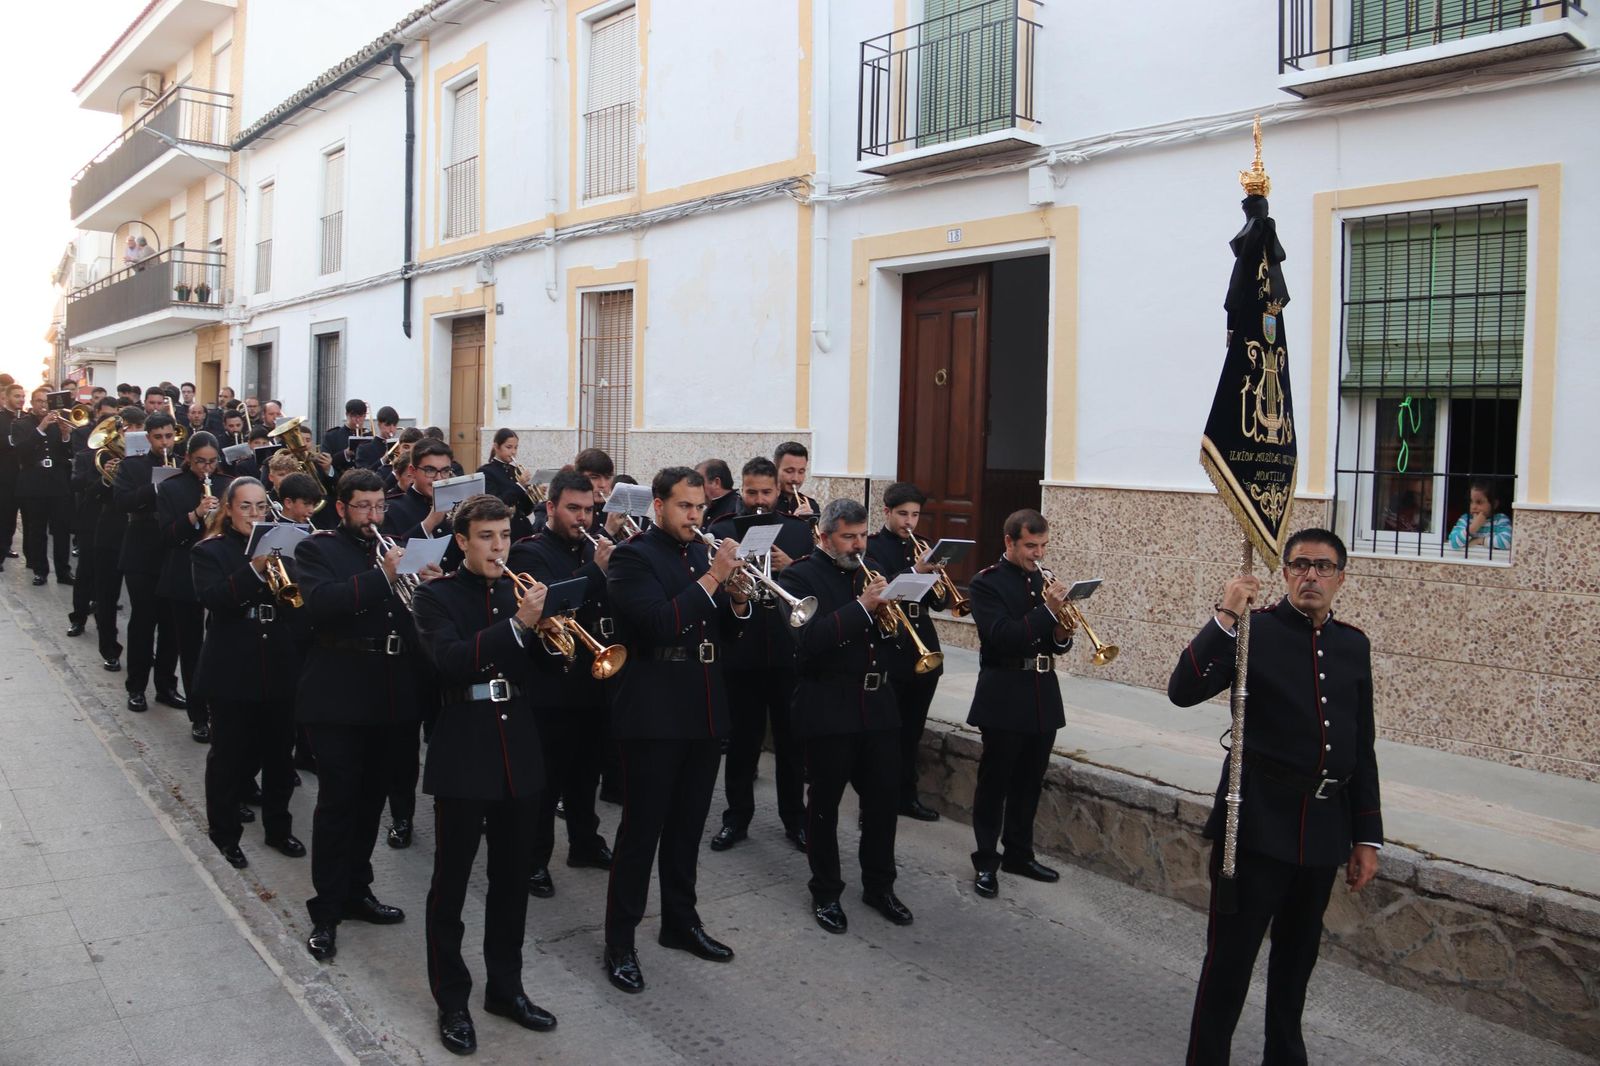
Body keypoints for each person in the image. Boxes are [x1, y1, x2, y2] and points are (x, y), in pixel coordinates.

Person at [1169, 528, 1382, 1066]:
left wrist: (1367, 836)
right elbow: (1183, 690)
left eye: (1324, 566)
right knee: (1230, 963)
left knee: (1296, 963)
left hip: (1323, 833)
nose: (1312, 575)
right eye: (1301, 564)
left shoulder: (1354, 645)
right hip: (1257, 825)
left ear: (1341, 578)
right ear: (1285, 573)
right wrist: (1224, 616)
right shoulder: (1253, 631)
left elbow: (1361, 747)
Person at [412, 494, 559, 1054]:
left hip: (517, 745)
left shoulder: (519, 593)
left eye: (504, 536)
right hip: (463, 746)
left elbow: (542, 668)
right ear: (462, 542)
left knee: (511, 882)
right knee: (450, 885)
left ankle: (506, 988)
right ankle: (452, 999)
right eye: (487, 537)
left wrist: (552, 634)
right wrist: (521, 626)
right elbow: (449, 660)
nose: (499, 547)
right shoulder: (436, 596)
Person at [601, 466, 749, 993]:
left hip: (705, 705)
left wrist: (734, 596)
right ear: (658, 505)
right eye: (684, 507)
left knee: (688, 828)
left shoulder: (700, 554)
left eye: (700, 508)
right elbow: (660, 624)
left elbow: (726, 631)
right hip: (654, 710)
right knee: (642, 832)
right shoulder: (632, 558)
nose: (694, 517)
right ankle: (619, 942)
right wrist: (713, 578)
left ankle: (680, 923)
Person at [294, 468, 440, 963]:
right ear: (341, 508)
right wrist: (384, 577)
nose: (374, 516)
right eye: (363, 507)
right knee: (337, 804)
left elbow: (420, 615)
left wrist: (429, 586)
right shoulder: (318, 550)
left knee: (372, 801)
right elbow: (321, 605)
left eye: (380, 507)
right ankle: (326, 908)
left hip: (392, 694)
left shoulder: (396, 549)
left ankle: (358, 890)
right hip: (337, 695)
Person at [778, 498, 913, 934]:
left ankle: (879, 885)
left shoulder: (870, 572)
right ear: (824, 535)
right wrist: (863, 608)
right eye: (848, 537)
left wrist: (895, 614)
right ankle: (827, 891)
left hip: (878, 707)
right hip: (828, 706)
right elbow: (810, 640)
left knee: (882, 804)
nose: (858, 546)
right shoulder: (799, 576)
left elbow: (889, 640)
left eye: (861, 536)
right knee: (825, 806)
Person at [507, 470, 616, 900]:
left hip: (592, 679)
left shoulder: (592, 549)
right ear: (551, 508)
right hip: (548, 682)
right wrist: (597, 570)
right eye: (573, 508)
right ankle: (535, 860)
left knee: (586, 772)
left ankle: (584, 843)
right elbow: (550, 602)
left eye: (589, 510)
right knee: (547, 777)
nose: (583, 518)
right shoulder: (528, 551)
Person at [192, 477, 306, 868]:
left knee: (279, 755)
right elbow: (213, 599)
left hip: (278, 662)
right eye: (246, 507)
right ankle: (224, 834)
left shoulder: (282, 548)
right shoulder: (211, 551)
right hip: (231, 666)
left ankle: (278, 828)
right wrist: (255, 571)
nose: (255, 514)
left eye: (261, 507)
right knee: (229, 756)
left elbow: (300, 603)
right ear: (228, 509)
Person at [965, 509, 1076, 899]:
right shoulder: (986, 584)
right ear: (1009, 542)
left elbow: (1055, 643)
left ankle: (1019, 853)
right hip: (1003, 693)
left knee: (1030, 781)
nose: (1038, 554)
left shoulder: (1041, 582)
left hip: (1042, 693)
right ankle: (985, 861)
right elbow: (1004, 637)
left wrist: (1062, 631)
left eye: (1043, 545)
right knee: (994, 784)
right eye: (1031, 546)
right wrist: (1048, 611)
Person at [707, 456, 812, 853]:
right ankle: (736, 818)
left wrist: (791, 567)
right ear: (740, 491)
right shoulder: (721, 531)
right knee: (742, 742)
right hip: (742, 649)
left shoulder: (799, 534)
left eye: (765, 492)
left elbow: (811, 585)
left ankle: (795, 820)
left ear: (777, 491)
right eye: (750, 492)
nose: (757, 501)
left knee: (791, 742)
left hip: (786, 650)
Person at [865, 482, 948, 821]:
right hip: (891, 641)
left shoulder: (925, 547)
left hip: (922, 642)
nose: (909, 522)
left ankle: (906, 797)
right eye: (902, 514)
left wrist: (939, 575)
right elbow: (882, 590)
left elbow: (940, 602)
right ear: (886, 512)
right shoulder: (871, 548)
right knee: (884, 731)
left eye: (914, 514)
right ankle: (873, 801)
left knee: (912, 731)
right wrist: (917, 572)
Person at [156, 431, 230, 743]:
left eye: (212, 462)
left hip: (222, 574)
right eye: (200, 462)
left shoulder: (229, 485)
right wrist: (196, 514)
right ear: (188, 459)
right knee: (191, 648)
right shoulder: (172, 488)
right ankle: (198, 716)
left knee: (221, 647)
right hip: (183, 576)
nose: (207, 468)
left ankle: (222, 711)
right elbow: (167, 536)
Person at [113, 412, 184, 713]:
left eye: (169, 436)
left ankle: (167, 686)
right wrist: (157, 487)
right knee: (143, 623)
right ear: (149, 438)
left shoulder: (183, 464)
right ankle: (136, 688)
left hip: (172, 551)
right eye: (159, 437)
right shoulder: (132, 466)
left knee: (171, 626)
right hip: (142, 550)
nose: (165, 442)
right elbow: (123, 501)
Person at [67, 397, 122, 637]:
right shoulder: (86, 457)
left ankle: (105, 624)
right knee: (85, 574)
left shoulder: (126, 459)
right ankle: (78, 618)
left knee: (109, 579)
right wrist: (102, 478)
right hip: (91, 523)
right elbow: (78, 485)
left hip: (115, 525)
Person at [11, 388, 75, 586]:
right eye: (38, 401)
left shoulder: (60, 423)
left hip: (57, 483)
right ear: (32, 402)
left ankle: (63, 571)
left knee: (62, 530)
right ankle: (40, 571)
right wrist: (41, 428)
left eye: (45, 402)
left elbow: (68, 454)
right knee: (37, 530)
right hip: (33, 483)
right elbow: (22, 452)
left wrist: (66, 436)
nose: (43, 405)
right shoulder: (20, 424)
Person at [480, 429, 539, 539]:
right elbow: (496, 504)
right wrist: (520, 485)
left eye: (516, 447)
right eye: (509, 447)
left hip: (523, 530)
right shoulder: (486, 471)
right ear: (496, 447)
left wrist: (532, 494)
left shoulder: (515, 470)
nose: (513, 452)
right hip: (504, 533)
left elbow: (525, 510)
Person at [1447, 480, 1512, 551]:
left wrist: (1480, 541)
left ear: (1494, 504)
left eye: (1479, 502)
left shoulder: (1500, 519)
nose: (1473, 507)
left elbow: (1508, 541)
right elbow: (1452, 543)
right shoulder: (1465, 519)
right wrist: (1472, 528)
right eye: (1471, 502)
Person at [0, 381, 20, 571]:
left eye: (22, 396)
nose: (20, 400)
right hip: (3, 474)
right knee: (3, 514)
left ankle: (6, 546)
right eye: (16, 396)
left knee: (12, 516)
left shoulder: (25, 419)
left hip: (20, 476)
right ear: (6, 398)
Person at [774, 440, 819, 522]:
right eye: (789, 471)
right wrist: (794, 523)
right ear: (775, 470)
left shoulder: (811, 505)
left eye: (801, 472)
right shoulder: (767, 504)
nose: (796, 478)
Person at [323, 399, 369, 477]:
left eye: (361, 416)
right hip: (339, 480)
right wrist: (345, 453)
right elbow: (326, 461)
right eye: (354, 416)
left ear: (364, 416)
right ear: (347, 415)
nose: (357, 420)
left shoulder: (369, 436)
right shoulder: (332, 435)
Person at [696, 459, 737, 526]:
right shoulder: (708, 510)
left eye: (699, 483)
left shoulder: (737, 508)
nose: (696, 489)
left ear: (716, 482)